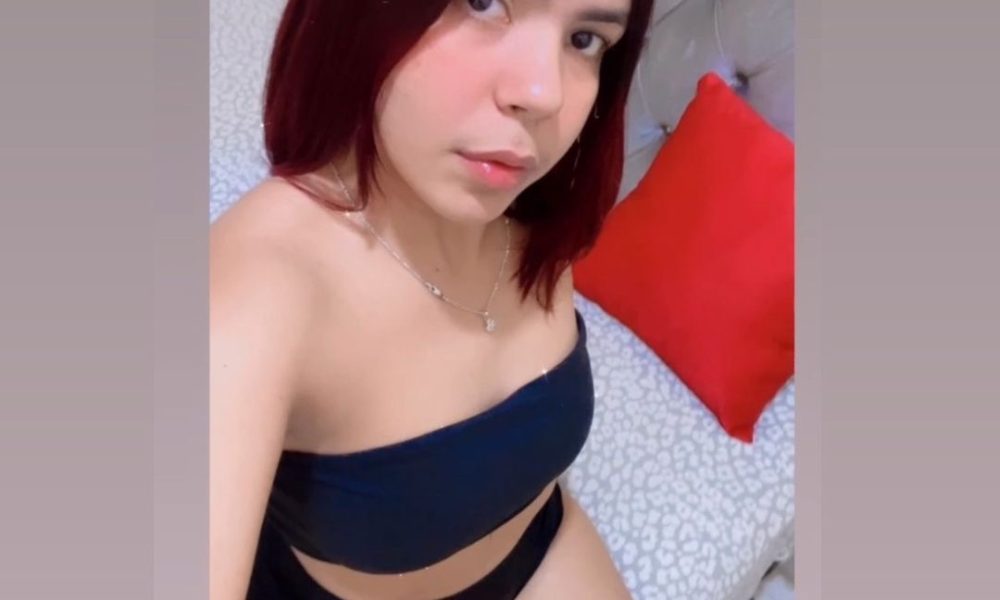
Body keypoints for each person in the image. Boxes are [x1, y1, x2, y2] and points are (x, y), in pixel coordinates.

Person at [210, 0, 653, 597]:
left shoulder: (530, 211)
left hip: (539, 540)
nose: (545, 94)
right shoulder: (256, 290)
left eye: (583, 40)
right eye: (483, 3)